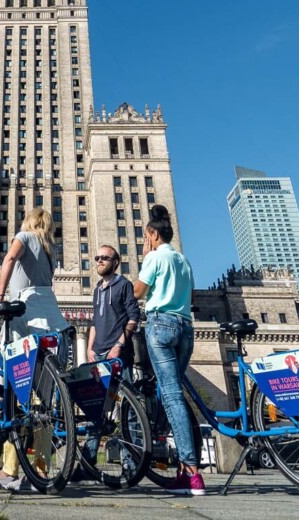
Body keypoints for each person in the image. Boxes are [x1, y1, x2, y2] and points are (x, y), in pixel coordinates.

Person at [0, 207, 68, 492]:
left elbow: (9, 259)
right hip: (50, 317)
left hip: (23, 314)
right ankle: (41, 470)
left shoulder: (24, 236)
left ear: (28, 222)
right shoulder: (50, 250)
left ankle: (9, 470)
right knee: (43, 400)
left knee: (14, 392)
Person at [135, 204, 204, 496]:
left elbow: (138, 291)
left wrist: (145, 259)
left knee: (172, 395)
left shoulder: (155, 257)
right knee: (174, 393)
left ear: (153, 234)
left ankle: (192, 472)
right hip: (186, 327)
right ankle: (183, 470)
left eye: (146, 236)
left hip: (161, 325)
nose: (145, 240)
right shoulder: (183, 260)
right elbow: (192, 296)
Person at [79, 244, 140, 477]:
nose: (100, 261)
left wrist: (119, 345)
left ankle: (130, 464)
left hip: (119, 356)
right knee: (95, 410)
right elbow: (95, 321)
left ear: (116, 262)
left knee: (127, 409)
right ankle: (88, 463)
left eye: (105, 258)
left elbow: (133, 317)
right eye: (97, 258)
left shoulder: (123, 285)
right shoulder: (97, 289)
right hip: (99, 355)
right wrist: (90, 349)